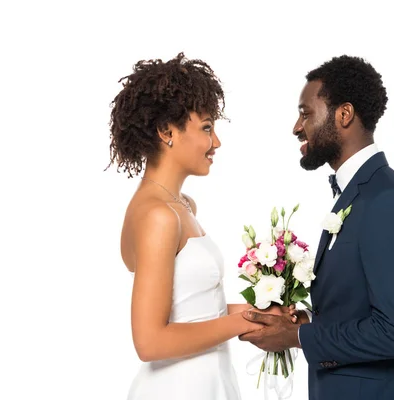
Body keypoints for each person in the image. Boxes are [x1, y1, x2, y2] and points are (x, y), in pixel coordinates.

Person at [239, 55, 394, 399]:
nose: (297, 127)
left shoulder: (385, 199)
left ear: (344, 115)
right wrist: (305, 325)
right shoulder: (360, 194)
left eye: (306, 113)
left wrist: (298, 337)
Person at [107, 52, 288, 400]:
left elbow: (196, 309)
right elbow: (149, 341)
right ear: (166, 132)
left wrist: (265, 313)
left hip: (209, 382)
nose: (216, 142)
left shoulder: (182, 206)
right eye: (206, 128)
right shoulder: (158, 216)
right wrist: (245, 322)